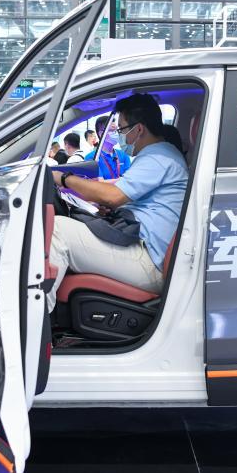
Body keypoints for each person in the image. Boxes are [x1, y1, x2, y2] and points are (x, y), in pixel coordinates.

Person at [47, 93, 188, 312]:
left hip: (150, 261)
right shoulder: (159, 155)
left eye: (122, 129)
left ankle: (33, 323)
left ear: (138, 129)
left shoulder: (159, 158)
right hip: (143, 246)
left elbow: (113, 195)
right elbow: (126, 199)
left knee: (57, 231)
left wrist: (64, 179)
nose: (120, 136)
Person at [85, 114, 131, 180]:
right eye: (112, 131)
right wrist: (123, 180)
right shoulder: (92, 158)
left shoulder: (123, 154)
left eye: (116, 130)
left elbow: (130, 178)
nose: (116, 134)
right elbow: (99, 182)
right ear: (101, 134)